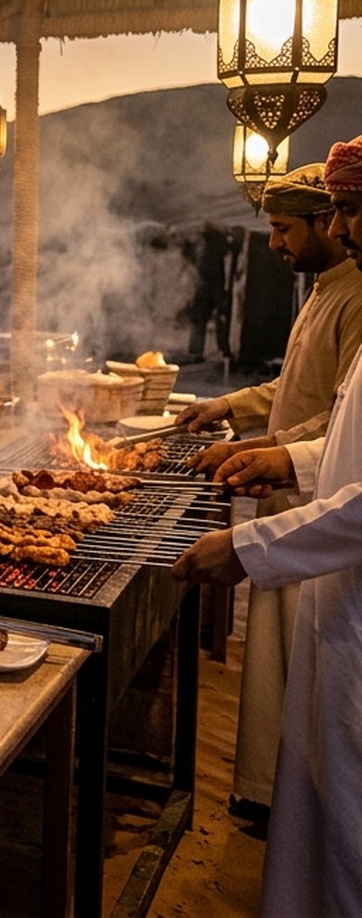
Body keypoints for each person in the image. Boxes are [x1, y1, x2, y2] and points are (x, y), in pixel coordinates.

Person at [172, 135, 362, 917]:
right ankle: (266, 800)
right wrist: (246, 423)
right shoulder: (326, 290)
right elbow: (323, 406)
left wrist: (254, 526)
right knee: (308, 732)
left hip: (326, 549)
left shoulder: (356, 295)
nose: (343, 227)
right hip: (313, 535)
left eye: (349, 211)